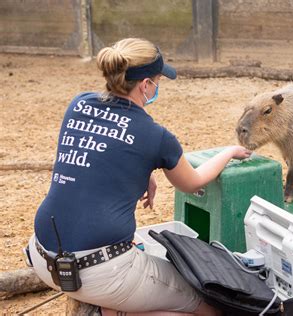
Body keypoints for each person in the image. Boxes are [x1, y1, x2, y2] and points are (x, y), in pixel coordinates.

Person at [29, 37, 251, 315]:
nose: (157, 87)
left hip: (42, 256)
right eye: (157, 81)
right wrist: (228, 152)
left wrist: (143, 170)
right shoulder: (154, 135)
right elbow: (192, 182)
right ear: (146, 85)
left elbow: (99, 152)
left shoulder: (79, 104)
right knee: (209, 305)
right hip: (102, 270)